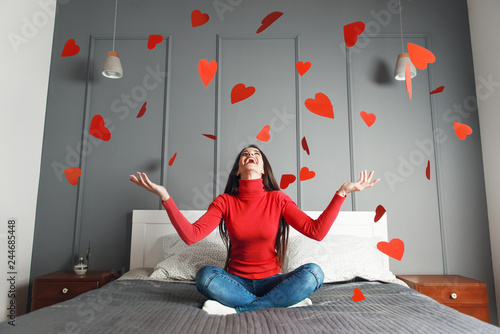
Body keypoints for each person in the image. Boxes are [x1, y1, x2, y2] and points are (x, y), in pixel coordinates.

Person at [130, 145, 379, 315]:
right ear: (238, 170)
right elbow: (191, 235)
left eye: (256, 154)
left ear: (262, 169)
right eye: (245, 154)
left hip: (274, 282)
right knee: (205, 275)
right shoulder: (225, 202)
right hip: (235, 282)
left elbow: (316, 231)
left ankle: (241, 309)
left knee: (314, 273)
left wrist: (342, 193)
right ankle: (280, 304)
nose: (250, 155)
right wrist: (165, 197)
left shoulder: (278, 199)